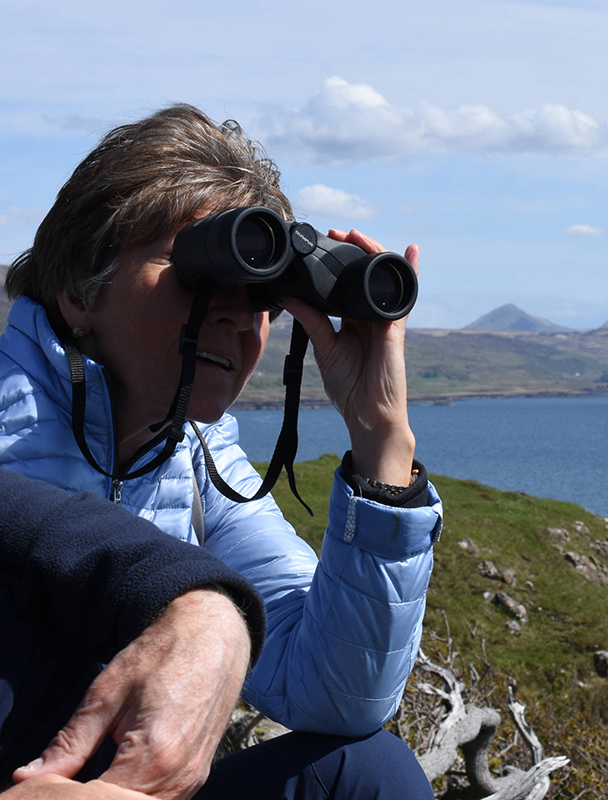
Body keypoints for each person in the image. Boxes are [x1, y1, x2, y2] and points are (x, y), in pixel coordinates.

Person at [0, 105, 441, 798]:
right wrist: (196, 600)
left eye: (263, 292)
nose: (238, 314)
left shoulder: (197, 462)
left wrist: (381, 438)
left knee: (365, 774)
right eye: (196, 273)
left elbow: (333, 692)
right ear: (79, 289)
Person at [0, 466, 264, 799]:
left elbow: (32, 515)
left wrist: (203, 606)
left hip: (106, 764)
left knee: (347, 768)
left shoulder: (207, 454)